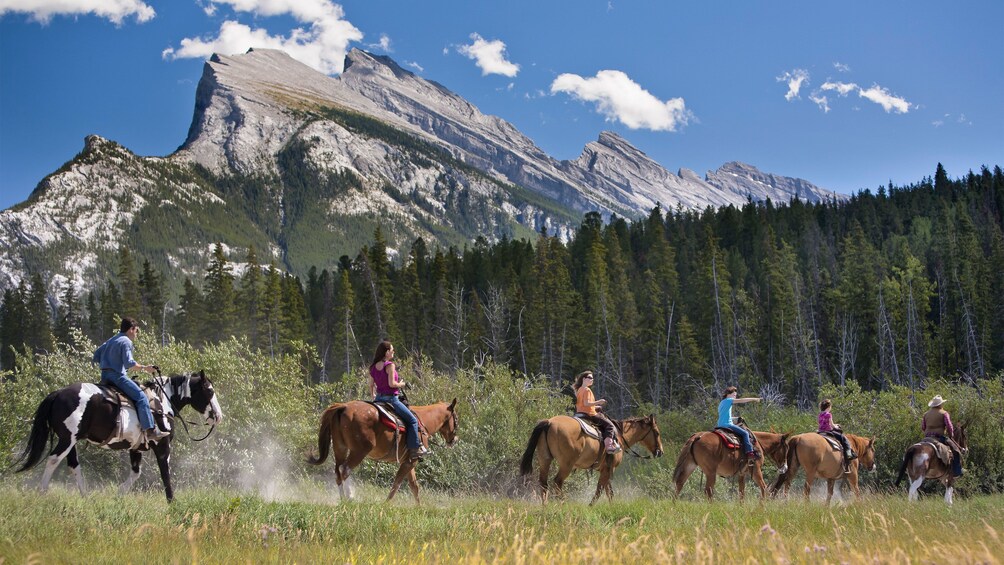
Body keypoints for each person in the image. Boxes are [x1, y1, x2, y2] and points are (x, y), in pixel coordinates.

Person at [92, 317, 169, 444]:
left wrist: (108, 361)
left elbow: (96, 355)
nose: (136, 334)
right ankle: (150, 430)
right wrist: (145, 368)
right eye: (136, 331)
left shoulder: (111, 340)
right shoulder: (126, 341)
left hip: (104, 376)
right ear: (131, 329)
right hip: (117, 377)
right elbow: (129, 364)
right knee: (141, 397)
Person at [369, 340, 428, 462]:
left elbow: (371, 384)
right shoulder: (389, 365)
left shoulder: (373, 366)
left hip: (378, 399)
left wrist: (373, 395)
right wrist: (402, 384)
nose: (393, 352)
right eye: (391, 350)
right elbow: (392, 384)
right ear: (386, 352)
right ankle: (414, 450)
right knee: (412, 421)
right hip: (391, 399)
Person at [572, 370, 620, 454]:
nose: (592, 380)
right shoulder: (587, 390)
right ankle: (609, 447)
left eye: (592, 378)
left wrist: (596, 406)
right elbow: (586, 403)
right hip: (590, 414)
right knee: (610, 426)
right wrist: (599, 402)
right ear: (584, 379)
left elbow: (583, 404)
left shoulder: (579, 390)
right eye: (590, 378)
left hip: (580, 413)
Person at [717, 386, 761, 464]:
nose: (735, 396)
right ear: (728, 394)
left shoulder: (721, 403)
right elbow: (742, 400)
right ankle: (750, 452)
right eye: (734, 395)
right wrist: (754, 399)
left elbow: (725, 416)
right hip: (727, 425)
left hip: (720, 425)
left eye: (735, 395)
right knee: (745, 433)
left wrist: (736, 418)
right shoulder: (729, 400)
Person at [922, 395, 963, 477]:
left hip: (926, 438)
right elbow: (949, 426)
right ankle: (957, 471)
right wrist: (951, 434)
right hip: (938, 437)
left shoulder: (926, 414)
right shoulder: (944, 413)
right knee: (956, 451)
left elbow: (923, 427)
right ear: (940, 404)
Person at [817, 399, 857, 473]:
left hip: (820, 431)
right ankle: (849, 455)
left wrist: (834, 425)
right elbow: (832, 425)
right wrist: (837, 426)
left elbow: (821, 424)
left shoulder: (820, 414)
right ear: (828, 407)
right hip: (828, 431)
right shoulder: (829, 414)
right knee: (845, 439)